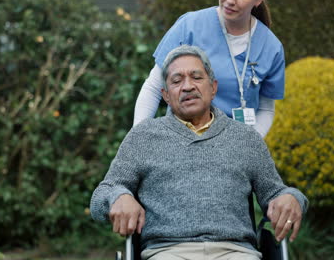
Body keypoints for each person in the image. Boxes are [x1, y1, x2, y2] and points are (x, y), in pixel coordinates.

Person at [90, 45, 308, 260]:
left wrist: (292, 197)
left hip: (236, 252)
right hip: (167, 252)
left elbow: (274, 193)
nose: (187, 86)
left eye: (196, 77)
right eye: (176, 81)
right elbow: (102, 195)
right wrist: (119, 196)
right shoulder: (144, 136)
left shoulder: (245, 138)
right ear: (165, 95)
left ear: (213, 87)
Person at [134, 0, 283, 138]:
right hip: (181, 144)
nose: (230, 0)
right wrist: (137, 139)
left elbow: (265, 109)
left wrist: (248, 147)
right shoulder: (189, 26)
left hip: (233, 151)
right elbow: (153, 89)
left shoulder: (271, 47)